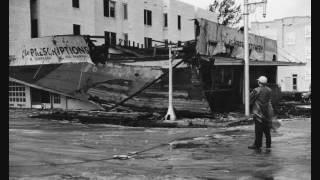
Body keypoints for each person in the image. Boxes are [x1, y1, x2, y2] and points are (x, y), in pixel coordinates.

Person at [248, 76, 273, 150]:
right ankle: (268, 145)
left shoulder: (256, 90)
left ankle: (257, 145)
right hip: (267, 112)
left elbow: (250, 99)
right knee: (267, 130)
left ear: (259, 82)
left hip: (258, 113)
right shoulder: (269, 90)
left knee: (258, 130)